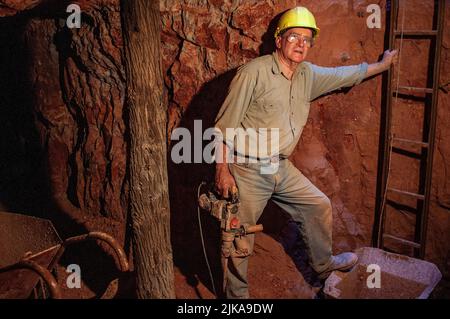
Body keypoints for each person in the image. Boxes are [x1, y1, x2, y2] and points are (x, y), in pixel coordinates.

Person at [214, 6, 398, 299]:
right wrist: (222, 171)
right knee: (240, 237)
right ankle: (237, 298)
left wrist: (383, 65)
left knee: (318, 205)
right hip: (248, 168)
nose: (301, 44)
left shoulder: (307, 75)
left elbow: (344, 74)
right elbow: (223, 127)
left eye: (307, 39)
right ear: (279, 40)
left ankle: (324, 267)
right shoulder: (253, 73)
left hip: (280, 167)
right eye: (294, 37)